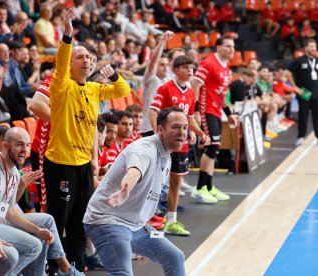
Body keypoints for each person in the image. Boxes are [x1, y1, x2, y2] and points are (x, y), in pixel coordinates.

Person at [43, 8, 131, 272]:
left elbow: (123, 89)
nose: (87, 61)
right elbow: (61, 61)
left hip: (82, 165)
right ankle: (51, 266)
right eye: (80, 57)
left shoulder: (93, 89)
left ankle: (76, 265)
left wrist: (113, 73)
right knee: (59, 220)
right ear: (71, 63)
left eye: (90, 58)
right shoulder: (62, 85)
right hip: (60, 163)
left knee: (80, 221)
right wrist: (68, 35)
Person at [0, 127, 83, 276]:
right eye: (19, 144)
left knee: (35, 246)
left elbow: (8, 210)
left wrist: (36, 230)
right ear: (5, 145)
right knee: (11, 256)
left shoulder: (14, 172)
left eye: (27, 145)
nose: (25, 150)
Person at [83, 107, 186, 276]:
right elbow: (134, 171)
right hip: (108, 222)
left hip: (138, 228)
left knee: (175, 256)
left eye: (184, 127)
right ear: (160, 129)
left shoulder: (166, 158)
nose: (182, 132)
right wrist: (126, 189)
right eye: (176, 127)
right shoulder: (145, 149)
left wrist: (144, 235)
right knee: (122, 273)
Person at [149, 56, 209, 236]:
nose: (190, 71)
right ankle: (148, 218)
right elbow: (153, 112)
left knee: (176, 180)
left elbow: (189, 118)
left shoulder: (190, 93)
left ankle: (172, 222)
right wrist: (157, 135)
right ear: (175, 70)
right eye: (185, 67)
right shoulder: (165, 88)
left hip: (180, 144)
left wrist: (200, 133)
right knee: (154, 182)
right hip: (165, 144)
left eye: (192, 67)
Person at [190, 35, 238, 203]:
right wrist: (195, 110)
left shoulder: (226, 67)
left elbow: (221, 93)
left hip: (217, 110)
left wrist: (229, 113)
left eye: (233, 46)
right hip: (205, 109)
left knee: (214, 148)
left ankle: (209, 187)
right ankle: (200, 188)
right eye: (227, 46)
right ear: (218, 48)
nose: (231, 49)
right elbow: (195, 84)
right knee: (211, 147)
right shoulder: (209, 63)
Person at [140, 31, 174, 137]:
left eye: (167, 65)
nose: (165, 67)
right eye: (162, 65)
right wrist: (163, 41)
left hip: (165, 127)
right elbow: (154, 60)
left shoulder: (169, 79)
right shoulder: (150, 78)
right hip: (149, 128)